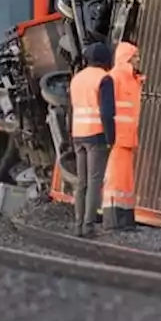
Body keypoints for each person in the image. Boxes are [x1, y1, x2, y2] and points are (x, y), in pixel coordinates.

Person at [69, 42, 116, 238]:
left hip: (77, 133)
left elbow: (71, 108)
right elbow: (107, 112)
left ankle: (78, 224)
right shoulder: (104, 79)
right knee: (95, 181)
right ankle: (89, 226)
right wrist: (110, 137)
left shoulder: (76, 79)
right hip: (96, 134)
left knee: (82, 182)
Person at [102, 41, 143, 230]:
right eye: (135, 56)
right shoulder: (116, 78)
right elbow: (108, 110)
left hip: (126, 138)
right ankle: (114, 219)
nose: (138, 59)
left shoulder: (131, 80)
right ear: (126, 58)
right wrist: (110, 137)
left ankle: (125, 218)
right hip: (119, 138)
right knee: (116, 181)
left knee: (124, 181)